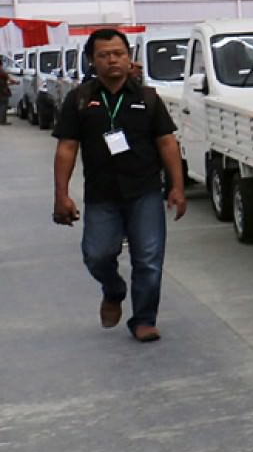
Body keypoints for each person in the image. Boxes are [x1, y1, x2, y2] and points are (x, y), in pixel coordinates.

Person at [52, 28, 187, 343]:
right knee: (97, 255)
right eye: (103, 55)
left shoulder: (148, 98)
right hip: (101, 195)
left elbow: (167, 143)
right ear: (92, 61)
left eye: (118, 53)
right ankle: (114, 290)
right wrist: (61, 194)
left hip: (145, 192)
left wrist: (177, 186)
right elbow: (67, 148)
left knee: (149, 259)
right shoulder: (81, 100)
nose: (112, 60)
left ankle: (143, 320)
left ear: (129, 58)